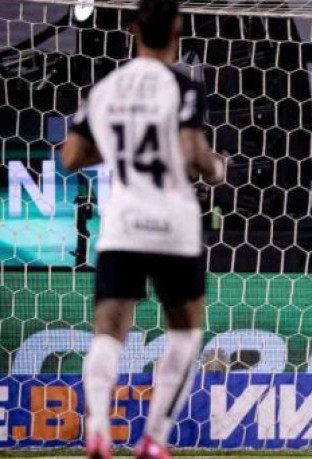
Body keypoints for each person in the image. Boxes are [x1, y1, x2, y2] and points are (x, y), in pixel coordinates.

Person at [61, 1, 225, 457]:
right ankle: (153, 439)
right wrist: (217, 169)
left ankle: (97, 430)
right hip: (174, 224)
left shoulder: (107, 87)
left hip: (124, 225)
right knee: (186, 332)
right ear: (177, 27)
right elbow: (195, 153)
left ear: (132, 28)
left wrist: (115, 146)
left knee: (109, 332)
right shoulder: (184, 86)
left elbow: (71, 156)